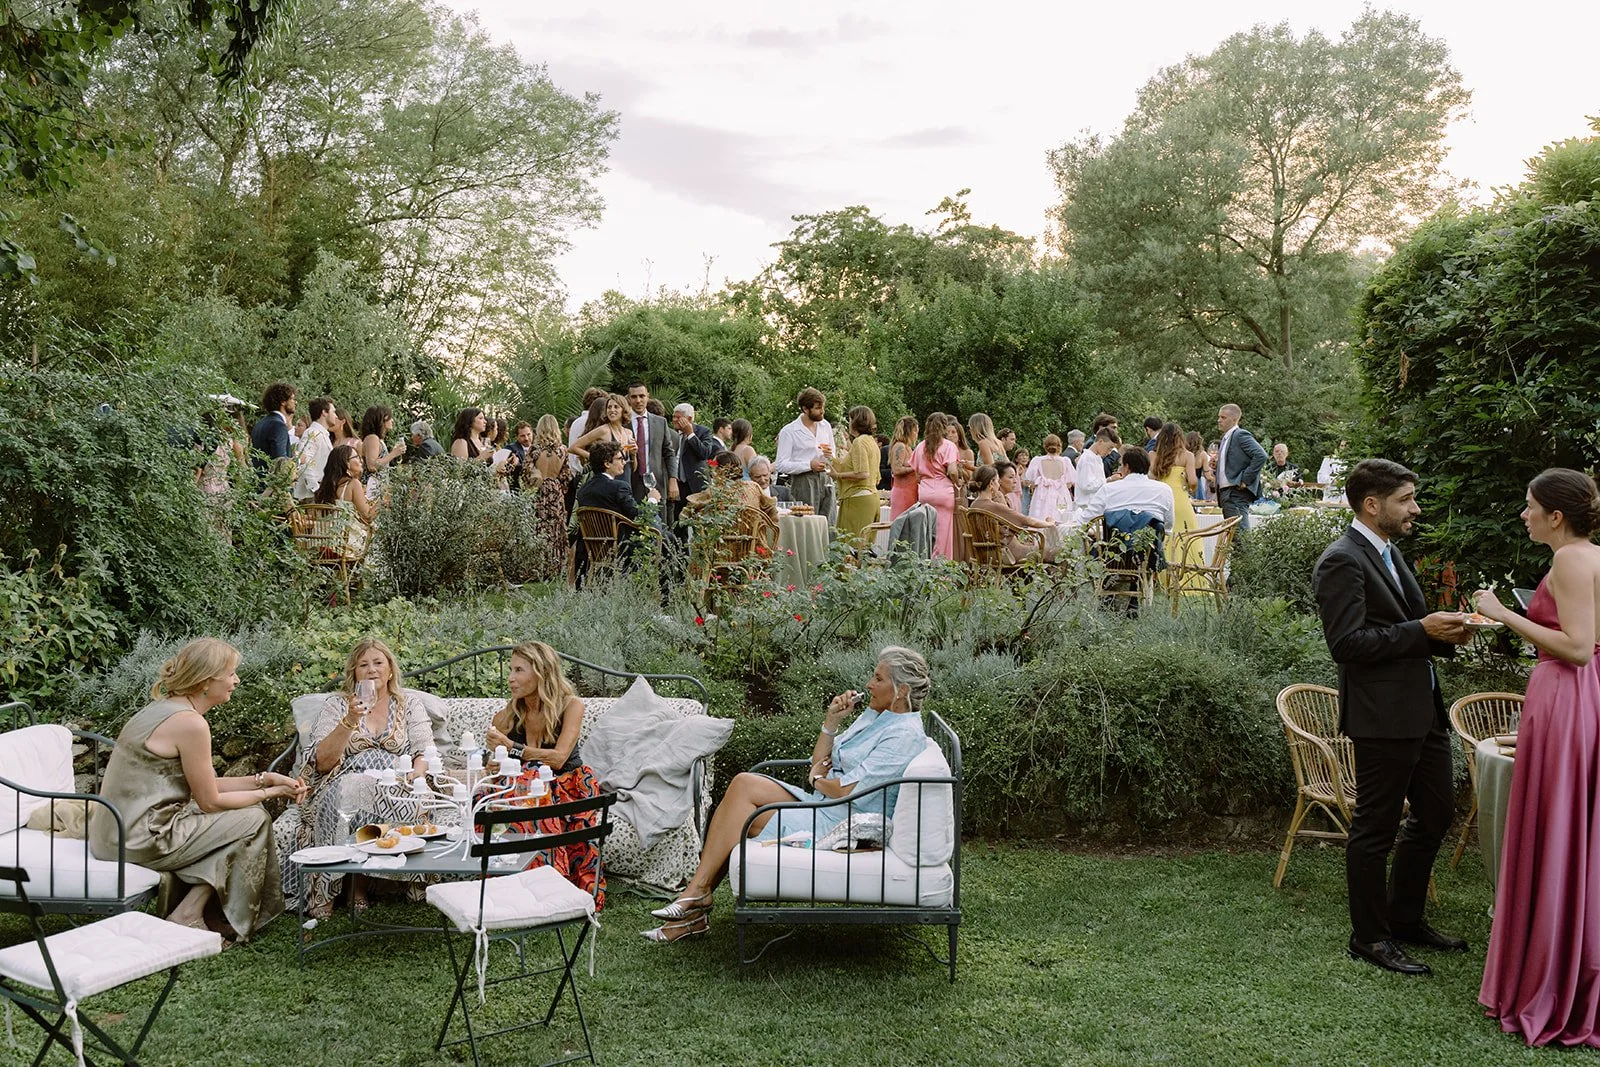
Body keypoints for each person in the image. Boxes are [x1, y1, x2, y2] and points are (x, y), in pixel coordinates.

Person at [642, 647, 932, 942]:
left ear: (901, 690)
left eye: (878, 678)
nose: (869, 684)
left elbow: (847, 788)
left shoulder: (903, 734)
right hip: (825, 803)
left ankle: (694, 901)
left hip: (842, 821)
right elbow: (819, 760)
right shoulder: (877, 716)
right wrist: (832, 721)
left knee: (741, 814)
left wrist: (819, 780)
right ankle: (697, 897)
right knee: (744, 783)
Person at [1312, 459, 1471, 976]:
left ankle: (1404, 919)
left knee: (1437, 812)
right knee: (1374, 828)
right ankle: (1369, 936)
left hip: (1422, 710)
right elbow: (1347, 644)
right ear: (1372, 504)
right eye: (1407, 499)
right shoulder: (1342, 560)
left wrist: (1446, 634)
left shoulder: (1389, 552)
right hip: (1381, 716)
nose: (1416, 508)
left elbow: (1407, 628)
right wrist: (1423, 630)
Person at [1474, 470, 1600, 1043]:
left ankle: (1552, 982)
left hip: (1567, 695)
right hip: (1577, 698)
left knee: (1556, 828)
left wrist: (1503, 614)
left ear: (1556, 515)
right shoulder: (1588, 556)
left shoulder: (1573, 559)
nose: (1522, 514)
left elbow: (1576, 648)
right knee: (1569, 829)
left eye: (1529, 507)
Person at [89, 639, 306, 942]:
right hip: (142, 837)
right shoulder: (190, 724)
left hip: (112, 832)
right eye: (231, 673)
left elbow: (203, 786)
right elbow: (210, 801)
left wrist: (264, 779)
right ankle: (203, 917)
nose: (236, 680)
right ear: (206, 681)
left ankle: (189, 911)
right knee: (252, 819)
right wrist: (269, 796)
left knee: (240, 816)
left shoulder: (160, 710)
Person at [292, 638, 432, 918]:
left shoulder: (409, 704)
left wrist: (417, 775)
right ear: (354, 673)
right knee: (347, 794)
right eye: (363, 665)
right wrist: (350, 720)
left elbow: (424, 749)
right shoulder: (338, 705)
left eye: (378, 663)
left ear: (390, 670)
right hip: (345, 780)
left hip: (395, 784)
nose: (372, 670)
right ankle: (330, 891)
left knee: (387, 798)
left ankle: (358, 885)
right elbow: (322, 761)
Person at [486, 641, 606, 906]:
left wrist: (513, 749)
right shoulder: (511, 712)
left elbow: (559, 758)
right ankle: (505, 883)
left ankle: (546, 886)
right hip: (526, 786)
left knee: (529, 792)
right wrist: (495, 759)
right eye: (510, 670)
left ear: (541, 672)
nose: (510, 678)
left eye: (519, 670)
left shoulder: (571, 705)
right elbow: (495, 757)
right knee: (493, 794)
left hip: (567, 784)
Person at [1073, 447, 1174, 533]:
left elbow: (1086, 519)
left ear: (1126, 467)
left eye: (1121, 465)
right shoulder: (1165, 490)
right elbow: (1168, 526)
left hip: (1114, 552)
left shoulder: (1108, 489)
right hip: (1151, 551)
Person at [971, 464, 1058, 563]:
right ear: (991, 483)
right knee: (1059, 553)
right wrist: (1050, 523)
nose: (998, 485)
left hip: (985, 554)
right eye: (997, 481)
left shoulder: (973, 505)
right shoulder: (994, 506)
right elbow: (1028, 521)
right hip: (1008, 554)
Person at [1150, 423, 1202, 582]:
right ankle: (1189, 579)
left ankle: (1163, 579)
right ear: (1180, 437)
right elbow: (1193, 481)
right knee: (1187, 538)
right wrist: (1187, 486)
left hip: (1161, 500)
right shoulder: (1187, 456)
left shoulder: (1153, 455)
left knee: (1164, 537)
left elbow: (1151, 479)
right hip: (1180, 500)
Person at [775, 387, 836, 522]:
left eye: (823, 407)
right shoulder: (789, 431)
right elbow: (781, 464)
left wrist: (830, 455)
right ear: (805, 409)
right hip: (803, 481)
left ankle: (829, 543)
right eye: (818, 408)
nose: (822, 411)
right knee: (807, 521)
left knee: (829, 522)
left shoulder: (825, 426)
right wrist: (809, 465)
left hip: (825, 478)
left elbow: (833, 454)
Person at [527, 415, 573, 582]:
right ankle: (557, 566)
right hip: (555, 490)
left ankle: (539, 566)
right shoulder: (562, 450)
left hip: (538, 492)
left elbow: (526, 474)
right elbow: (567, 476)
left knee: (538, 527)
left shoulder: (534, 450)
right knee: (556, 528)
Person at [625, 382, 679, 516]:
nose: (638, 400)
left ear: (648, 396)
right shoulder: (623, 423)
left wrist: (673, 479)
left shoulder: (660, 422)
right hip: (631, 482)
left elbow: (669, 453)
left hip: (657, 482)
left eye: (642, 396)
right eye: (634, 397)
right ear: (628, 398)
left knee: (659, 528)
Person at [912, 412, 961, 559]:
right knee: (943, 535)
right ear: (944, 427)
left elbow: (916, 474)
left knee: (927, 532)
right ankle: (942, 570)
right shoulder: (948, 446)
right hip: (943, 492)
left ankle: (926, 564)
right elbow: (952, 470)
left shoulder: (921, 446)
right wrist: (956, 481)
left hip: (925, 492)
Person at [311, 444, 373, 556]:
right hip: (343, 547)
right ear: (346, 463)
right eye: (357, 457)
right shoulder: (353, 484)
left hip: (319, 545)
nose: (361, 461)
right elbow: (367, 516)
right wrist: (383, 502)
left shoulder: (325, 488)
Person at [1214, 403, 1267, 528]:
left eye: (1223, 417)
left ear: (1234, 419)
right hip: (1227, 493)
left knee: (1241, 536)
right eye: (1219, 417)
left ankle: (1247, 549)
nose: (1219, 420)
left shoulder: (1240, 435)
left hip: (1235, 492)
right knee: (1234, 536)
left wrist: (1245, 479)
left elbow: (1261, 455)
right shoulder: (1226, 438)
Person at [835, 405, 881, 542]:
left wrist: (837, 475)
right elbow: (876, 476)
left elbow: (862, 473)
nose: (848, 424)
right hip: (872, 496)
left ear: (856, 421)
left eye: (850, 420)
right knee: (865, 547)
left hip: (857, 498)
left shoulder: (860, 442)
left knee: (850, 546)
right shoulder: (871, 442)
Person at [673, 402, 722, 502]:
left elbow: (704, 453)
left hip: (695, 486)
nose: (674, 420)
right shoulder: (671, 433)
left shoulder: (703, 432)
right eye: (673, 417)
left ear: (689, 419)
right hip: (676, 485)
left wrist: (690, 434)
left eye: (678, 418)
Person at [292, 397, 337, 502]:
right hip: (311, 497)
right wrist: (315, 489)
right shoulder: (312, 433)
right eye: (333, 412)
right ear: (324, 412)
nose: (336, 416)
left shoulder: (322, 434)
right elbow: (303, 462)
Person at [1023, 434, 1073, 523]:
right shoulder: (1065, 461)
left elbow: (1030, 479)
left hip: (1042, 495)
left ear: (1045, 446)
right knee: (1061, 517)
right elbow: (1069, 483)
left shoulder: (1038, 461)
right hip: (1060, 494)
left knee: (1040, 517)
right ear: (1059, 446)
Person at [250, 382, 296, 477]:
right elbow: (280, 463)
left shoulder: (260, 424)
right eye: (292, 399)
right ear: (283, 401)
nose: (295, 402)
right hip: (272, 487)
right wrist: (298, 460)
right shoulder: (278, 425)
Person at [359, 405, 406, 479]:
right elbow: (371, 466)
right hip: (373, 486)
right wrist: (394, 453)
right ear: (383, 419)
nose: (392, 421)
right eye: (390, 418)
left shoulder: (377, 439)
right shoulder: (372, 438)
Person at [1074, 428, 1115, 510]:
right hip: (1086, 507)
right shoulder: (1087, 459)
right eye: (1109, 448)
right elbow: (1086, 485)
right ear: (1100, 441)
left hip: (1095, 506)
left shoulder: (1097, 458)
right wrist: (1108, 480)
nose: (1109, 452)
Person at [888, 416, 920, 519]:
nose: (916, 434)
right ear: (909, 431)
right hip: (903, 492)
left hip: (911, 491)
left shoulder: (909, 448)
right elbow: (896, 470)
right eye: (915, 431)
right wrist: (914, 468)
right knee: (901, 522)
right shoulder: (900, 446)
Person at [1186, 430, 1210, 500]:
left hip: (1185, 482)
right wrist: (1213, 479)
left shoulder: (1184, 454)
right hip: (1197, 484)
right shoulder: (1203, 454)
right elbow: (1207, 475)